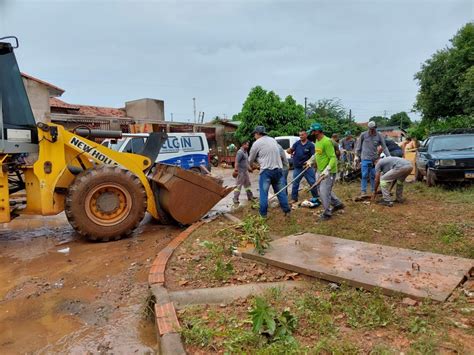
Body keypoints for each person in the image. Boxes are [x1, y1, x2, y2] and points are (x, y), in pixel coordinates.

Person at [248, 126, 291, 218]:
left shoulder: (256, 143)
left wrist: (251, 166)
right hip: (278, 170)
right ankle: (287, 211)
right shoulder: (272, 140)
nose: (254, 136)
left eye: (254, 134)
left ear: (258, 134)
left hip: (266, 172)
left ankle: (263, 215)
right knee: (281, 193)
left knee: (263, 193)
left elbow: (250, 160)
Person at [307, 123, 344, 221]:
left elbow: (333, 157)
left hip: (329, 171)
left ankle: (327, 213)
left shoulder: (327, 142)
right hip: (320, 170)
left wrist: (327, 169)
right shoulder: (317, 141)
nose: (311, 133)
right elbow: (318, 153)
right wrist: (311, 160)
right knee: (323, 190)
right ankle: (338, 204)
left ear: (318, 131)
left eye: (312, 131)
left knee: (323, 192)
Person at [355, 121, 390, 197]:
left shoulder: (379, 135)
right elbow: (358, 147)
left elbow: (384, 147)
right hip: (364, 158)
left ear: (375, 128)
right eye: (370, 129)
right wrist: (357, 156)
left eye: (373, 129)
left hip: (374, 159)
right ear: (368, 128)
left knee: (373, 175)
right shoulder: (363, 135)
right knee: (364, 175)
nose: (371, 131)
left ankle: (373, 190)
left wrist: (389, 157)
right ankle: (363, 191)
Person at [286, 130, 319, 203]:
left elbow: (314, 156)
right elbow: (291, 150)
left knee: (312, 182)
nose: (300, 136)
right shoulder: (297, 143)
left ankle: (316, 197)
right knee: (295, 183)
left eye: (302, 135)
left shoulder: (310, 145)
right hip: (297, 167)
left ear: (306, 135)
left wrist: (312, 164)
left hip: (307, 168)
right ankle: (294, 198)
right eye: (300, 135)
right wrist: (289, 150)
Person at [232, 141, 254, 205]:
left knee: (248, 185)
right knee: (239, 186)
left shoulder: (245, 152)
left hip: (245, 171)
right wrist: (236, 170)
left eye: (248, 145)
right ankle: (235, 198)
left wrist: (249, 168)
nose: (248, 146)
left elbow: (246, 162)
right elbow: (236, 161)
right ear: (243, 145)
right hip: (240, 172)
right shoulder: (240, 152)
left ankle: (250, 196)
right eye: (247, 145)